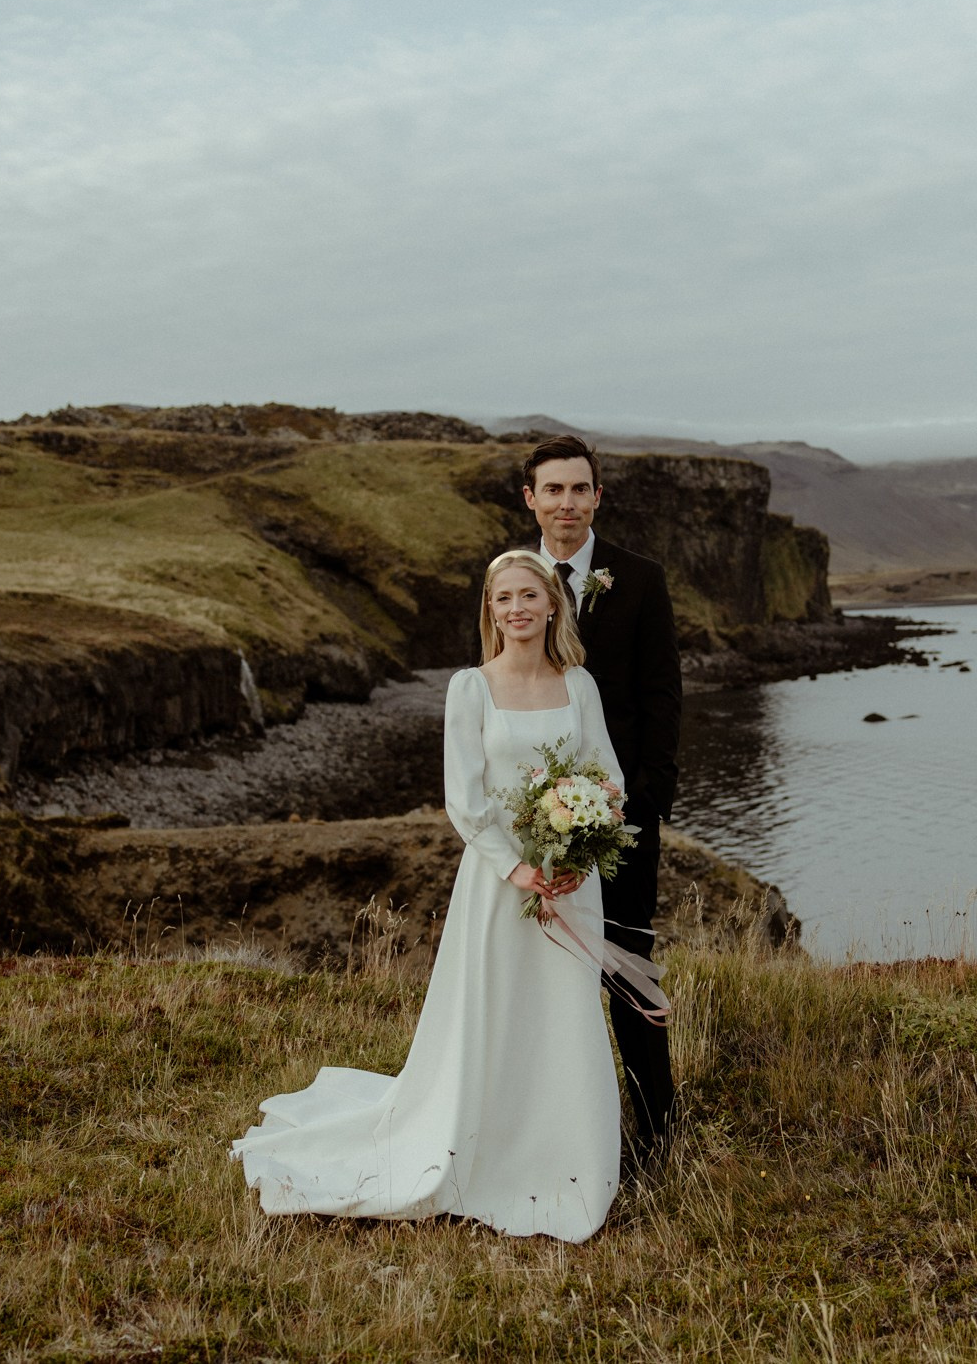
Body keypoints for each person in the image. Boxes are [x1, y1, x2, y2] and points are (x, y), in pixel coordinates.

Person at [230, 550, 628, 1242]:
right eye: (503, 598)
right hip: (501, 882)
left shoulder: (581, 684)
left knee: (565, 1013)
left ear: (552, 603)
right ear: (490, 608)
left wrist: (582, 846)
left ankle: (570, 1159)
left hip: (571, 883)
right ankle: (481, 1145)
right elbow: (464, 801)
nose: (517, 609)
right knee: (498, 1011)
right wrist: (518, 868)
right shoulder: (471, 687)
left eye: (529, 595)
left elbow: (608, 777)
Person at [523, 434, 681, 1170]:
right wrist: (524, 815)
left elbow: (662, 698)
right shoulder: (512, 581)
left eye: (578, 488)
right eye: (551, 489)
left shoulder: (641, 579)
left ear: (597, 497)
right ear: (531, 499)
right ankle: (546, 1130)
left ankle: (656, 1130)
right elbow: (498, 691)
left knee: (627, 967)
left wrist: (641, 802)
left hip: (622, 821)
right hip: (536, 827)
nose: (566, 502)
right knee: (543, 973)